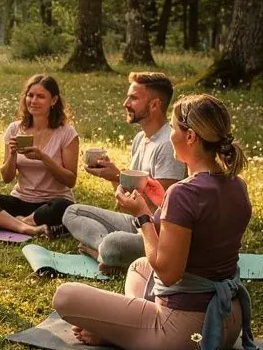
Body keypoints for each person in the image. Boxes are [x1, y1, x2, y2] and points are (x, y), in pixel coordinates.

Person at [54, 94, 256, 350]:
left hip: (188, 331)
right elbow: (203, 227)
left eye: (173, 128)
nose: (170, 134)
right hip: (227, 322)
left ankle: (121, 334)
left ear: (191, 137)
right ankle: (127, 330)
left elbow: (169, 273)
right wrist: (162, 201)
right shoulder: (235, 184)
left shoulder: (184, 193)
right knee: (139, 267)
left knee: (65, 296)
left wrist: (143, 216)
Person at [62, 71, 186, 270]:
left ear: (155, 104)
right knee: (71, 212)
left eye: (134, 98)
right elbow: (126, 200)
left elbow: (165, 206)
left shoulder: (168, 144)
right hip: (135, 221)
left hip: (157, 233)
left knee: (114, 244)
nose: (125, 103)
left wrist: (119, 176)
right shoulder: (140, 139)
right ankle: (107, 253)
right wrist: (113, 177)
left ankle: (104, 252)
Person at [0, 75, 79, 236]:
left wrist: (43, 157)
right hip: (19, 201)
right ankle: (26, 227)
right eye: (30, 95)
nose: (33, 101)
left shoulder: (66, 133)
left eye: (41, 96)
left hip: (51, 203)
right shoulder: (14, 129)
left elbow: (70, 180)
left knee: (65, 207)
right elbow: (7, 178)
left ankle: (9, 222)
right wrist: (12, 155)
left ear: (53, 100)